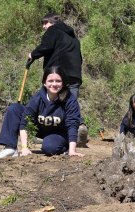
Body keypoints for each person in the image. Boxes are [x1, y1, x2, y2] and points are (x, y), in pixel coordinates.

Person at [0, 66, 84, 159]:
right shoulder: (38, 97)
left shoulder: (70, 99)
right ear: (44, 83)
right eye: (50, 81)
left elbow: (72, 124)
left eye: (58, 81)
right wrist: (24, 148)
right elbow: (26, 121)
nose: (54, 84)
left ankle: (65, 146)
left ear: (63, 83)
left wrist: (72, 151)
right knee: (14, 108)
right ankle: (10, 148)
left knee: (49, 148)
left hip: (58, 133)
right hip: (40, 128)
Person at [28, 12, 88, 147]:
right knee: (71, 105)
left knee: (50, 103)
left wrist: (33, 54)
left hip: (58, 75)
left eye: (45, 23)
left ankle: (44, 134)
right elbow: (80, 57)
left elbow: (46, 46)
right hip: (75, 74)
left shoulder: (53, 30)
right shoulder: (74, 38)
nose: (44, 27)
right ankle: (79, 127)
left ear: (52, 23)